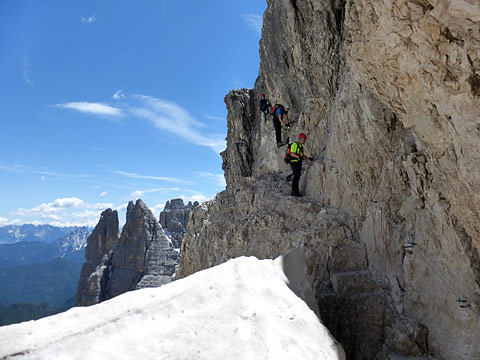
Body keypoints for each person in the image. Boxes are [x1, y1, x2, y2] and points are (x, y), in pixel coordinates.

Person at [289, 133, 314, 197]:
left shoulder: (300, 147)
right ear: (301, 138)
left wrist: (309, 158)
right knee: (296, 176)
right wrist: (298, 157)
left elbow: (302, 156)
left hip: (298, 163)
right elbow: (292, 153)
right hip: (294, 162)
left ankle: (296, 191)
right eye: (304, 139)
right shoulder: (295, 144)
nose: (304, 141)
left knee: (297, 176)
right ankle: (294, 191)